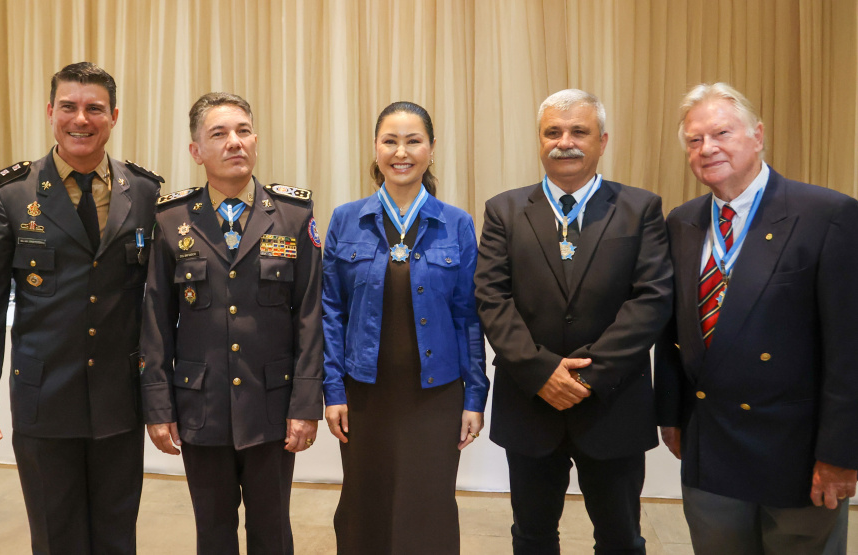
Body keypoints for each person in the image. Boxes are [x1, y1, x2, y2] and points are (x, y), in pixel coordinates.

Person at [0, 61, 162, 554]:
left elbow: (155, 304)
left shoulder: (146, 192)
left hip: (118, 397)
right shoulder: (11, 195)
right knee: (56, 535)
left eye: (94, 108)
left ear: (113, 116)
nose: (81, 119)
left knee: (117, 534)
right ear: (51, 113)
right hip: (43, 399)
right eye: (68, 107)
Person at [655, 82, 858, 554]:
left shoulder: (826, 215)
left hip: (798, 454)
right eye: (694, 140)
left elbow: (850, 349)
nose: (708, 149)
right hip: (710, 446)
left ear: (758, 135)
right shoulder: (682, 223)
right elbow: (673, 333)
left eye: (722, 133)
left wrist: (841, 454)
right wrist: (670, 415)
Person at [475, 89, 673, 554]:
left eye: (579, 131)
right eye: (554, 132)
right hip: (530, 403)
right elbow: (491, 298)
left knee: (621, 538)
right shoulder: (503, 211)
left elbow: (651, 299)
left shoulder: (640, 209)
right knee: (532, 535)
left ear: (602, 141)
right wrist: (543, 372)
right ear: (540, 141)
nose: (566, 142)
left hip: (612, 404)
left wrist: (587, 375)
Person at [140, 92, 323, 554]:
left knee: (273, 533)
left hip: (272, 405)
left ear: (256, 140)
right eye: (218, 134)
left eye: (243, 131)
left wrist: (305, 403)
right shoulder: (171, 219)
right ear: (196, 150)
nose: (234, 142)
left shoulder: (292, 214)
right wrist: (159, 407)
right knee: (213, 534)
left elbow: (309, 314)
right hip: (200, 406)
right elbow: (156, 320)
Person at [322, 101, 488, 553]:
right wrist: (333, 390)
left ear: (431, 150)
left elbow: (468, 317)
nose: (402, 151)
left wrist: (475, 396)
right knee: (363, 506)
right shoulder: (344, 219)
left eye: (413, 141)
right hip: (365, 392)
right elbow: (330, 311)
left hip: (436, 394)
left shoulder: (456, 223)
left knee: (427, 508)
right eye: (390, 141)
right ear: (375, 149)